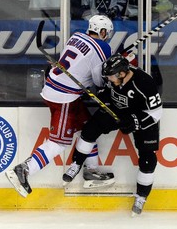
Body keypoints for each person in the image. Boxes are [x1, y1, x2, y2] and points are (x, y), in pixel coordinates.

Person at [5, 15, 115, 197]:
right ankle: (24, 170)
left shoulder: (76, 37)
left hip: (54, 86)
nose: (107, 37)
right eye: (107, 33)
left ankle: (91, 171)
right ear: (103, 32)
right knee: (59, 142)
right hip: (65, 96)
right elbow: (98, 80)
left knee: (88, 129)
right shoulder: (104, 47)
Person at [62, 54, 163, 216]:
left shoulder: (145, 83)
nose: (108, 79)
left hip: (141, 117)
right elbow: (107, 91)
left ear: (122, 74)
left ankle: (141, 196)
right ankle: (76, 164)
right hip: (116, 110)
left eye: (110, 76)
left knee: (148, 159)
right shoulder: (114, 79)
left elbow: (156, 113)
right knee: (90, 130)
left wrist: (135, 121)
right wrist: (101, 95)